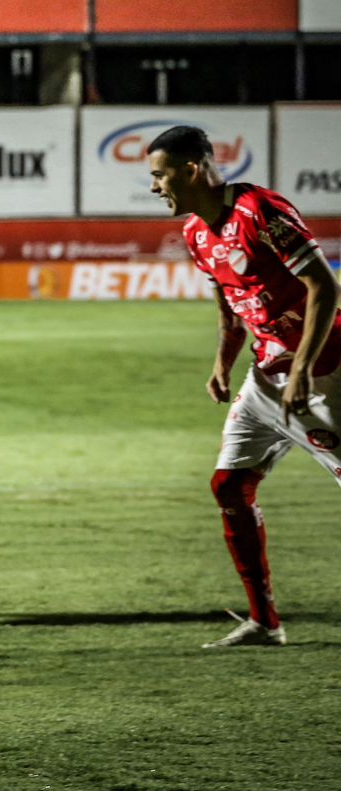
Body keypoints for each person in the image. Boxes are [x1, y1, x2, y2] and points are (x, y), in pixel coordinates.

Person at [146, 125, 341, 649]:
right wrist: (221, 360)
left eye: (159, 175)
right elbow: (231, 300)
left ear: (191, 170)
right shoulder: (194, 232)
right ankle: (264, 622)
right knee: (229, 487)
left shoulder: (261, 211)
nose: (154, 187)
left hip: (323, 373)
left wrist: (302, 367)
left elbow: (324, 285)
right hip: (265, 377)